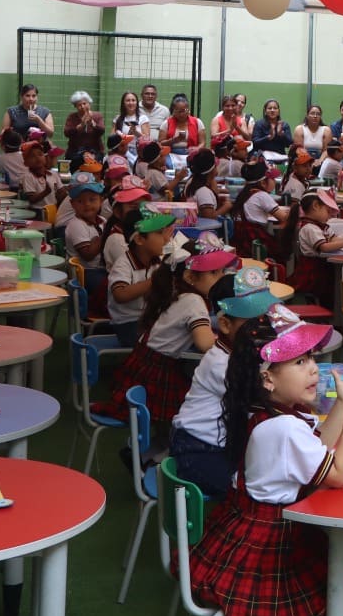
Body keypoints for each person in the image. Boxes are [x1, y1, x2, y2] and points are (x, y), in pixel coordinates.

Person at [186, 334, 343, 616]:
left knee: (331, 578)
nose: (314, 370)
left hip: (245, 529)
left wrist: (342, 404)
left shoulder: (269, 414)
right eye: (299, 362)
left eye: (311, 359)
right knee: (334, 585)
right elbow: (338, 474)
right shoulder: (284, 427)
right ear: (268, 379)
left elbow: (317, 446)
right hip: (269, 541)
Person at [169, 268, 284, 499]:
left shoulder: (245, 353)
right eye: (252, 319)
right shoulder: (220, 364)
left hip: (221, 445)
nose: (263, 325)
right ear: (225, 324)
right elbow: (267, 398)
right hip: (197, 451)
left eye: (266, 316)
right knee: (258, 491)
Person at [99, 234, 237, 424]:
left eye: (222, 271)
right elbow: (205, 343)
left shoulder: (175, 291)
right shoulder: (194, 301)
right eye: (214, 273)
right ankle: (160, 441)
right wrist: (234, 346)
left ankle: (155, 440)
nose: (221, 278)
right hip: (158, 374)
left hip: (142, 365)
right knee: (199, 405)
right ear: (190, 277)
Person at [107, 208, 176, 346]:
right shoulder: (124, 264)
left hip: (149, 318)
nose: (165, 238)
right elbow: (120, 294)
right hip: (129, 325)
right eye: (159, 233)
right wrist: (156, 280)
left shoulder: (156, 260)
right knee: (175, 338)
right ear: (139, 239)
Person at [162, 94, 202, 170]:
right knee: (166, 164)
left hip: (191, 153)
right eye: (178, 111)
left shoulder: (197, 122)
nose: (181, 114)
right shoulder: (166, 123)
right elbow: (160, 143)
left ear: (188, 110)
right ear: (173, 111)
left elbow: (202, 142)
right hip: (171, 153)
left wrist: (197, 148)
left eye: (183, 111)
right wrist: (174, 140)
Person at [63, 91, 105, 159]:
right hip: (75, 151)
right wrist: (80, 126)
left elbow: (102, 131)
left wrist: (93, 124)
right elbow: (66, 133)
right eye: (79, 105)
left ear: (89, 103)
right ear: (75, 106)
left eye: (84, 103)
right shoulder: (72, 117)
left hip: (95, 151)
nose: (82, 107)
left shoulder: (98, 116)